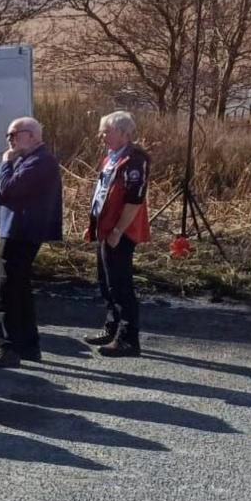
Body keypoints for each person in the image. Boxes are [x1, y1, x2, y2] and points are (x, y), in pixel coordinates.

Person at [0, 116, 63, 368]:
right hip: (20, 231)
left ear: (31, 135)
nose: (9, 140)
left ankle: (8, 348)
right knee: (19, 289)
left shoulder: (40, 162)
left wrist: (5, 165)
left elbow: (5, 192)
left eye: (13, 134)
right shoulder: (32, 160)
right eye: (8, 135)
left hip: (21, 233)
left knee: (7, 292)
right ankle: (30, 346)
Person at [85, 110, 150, 357]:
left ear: (124, 133)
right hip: (105, 228)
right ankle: (111, 327)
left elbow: (135, 200)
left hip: (120, 231)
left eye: (106, 131)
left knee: (120, 285)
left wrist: (118, 230)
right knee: (106, 283)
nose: (102, 136)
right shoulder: (111, 157)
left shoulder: (136, 160)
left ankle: (128, 339)